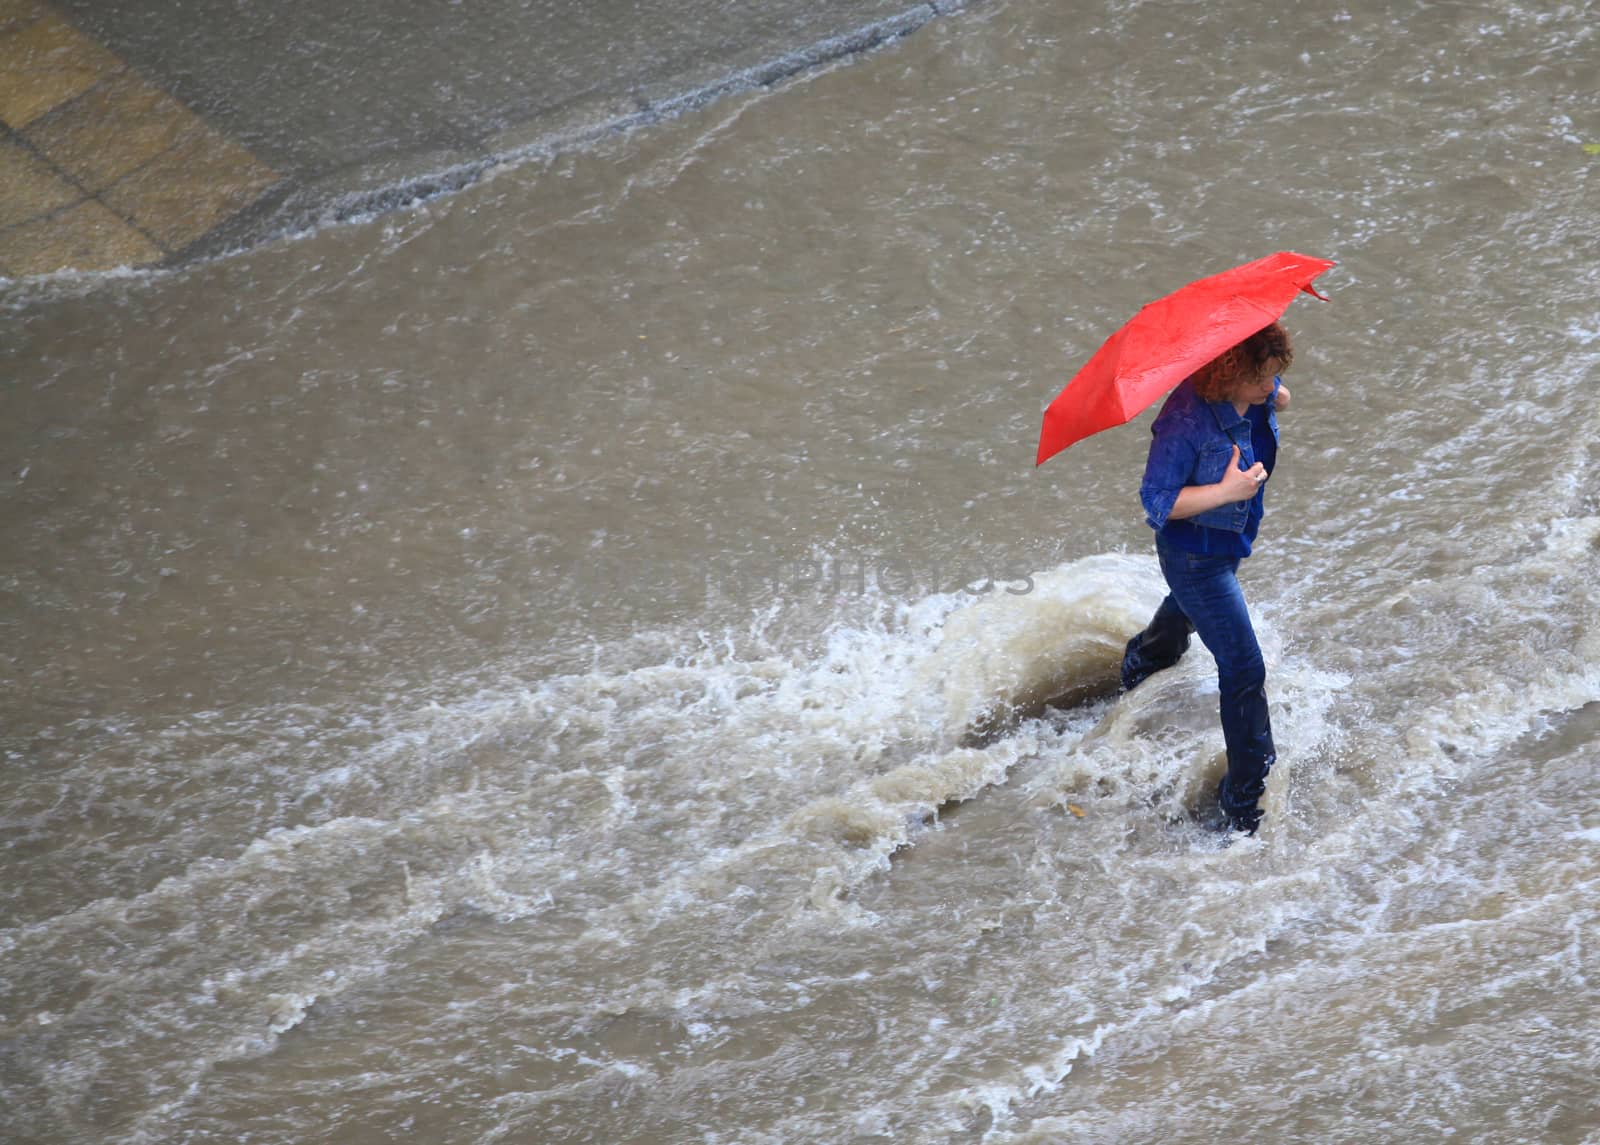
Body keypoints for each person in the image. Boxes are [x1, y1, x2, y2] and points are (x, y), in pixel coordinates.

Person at [1119, 322, 1294, 835]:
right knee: (1244, 670)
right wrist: (1226, 491)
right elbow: (1157, 503)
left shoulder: (1254, 392)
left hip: (1230, 539)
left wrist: (1274, 394)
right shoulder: (1184, 423)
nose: (1273, 386)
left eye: (1276, 374)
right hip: (1196, 554)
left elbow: (1273, 398)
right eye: (1263, 377)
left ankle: (1144, 661)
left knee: (1188, 608)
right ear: (1231, 373)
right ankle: (1242, 804)